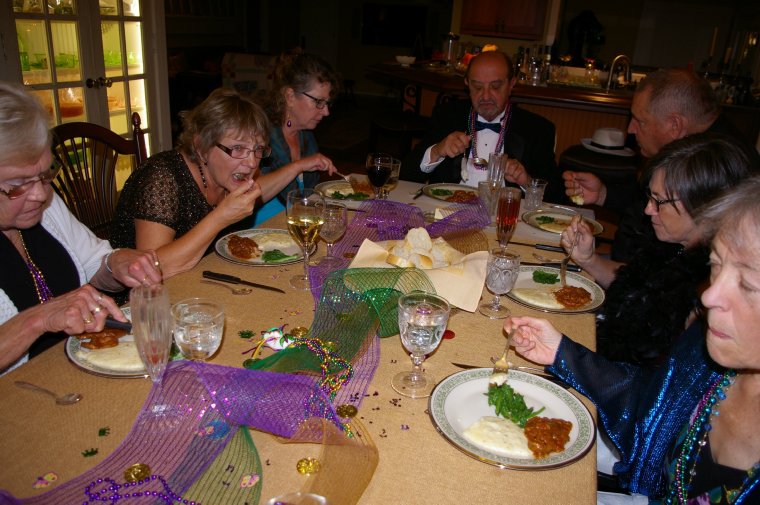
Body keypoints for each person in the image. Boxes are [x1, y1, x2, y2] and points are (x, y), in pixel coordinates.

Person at [506, 176, 760, 503]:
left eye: (749, 285)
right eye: (715, 265)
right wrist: (561, 351)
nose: (709, 296)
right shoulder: (707, 361)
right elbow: (651, 408)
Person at [0, 82, 162, 374]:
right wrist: (38, 320)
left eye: (45, 174)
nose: (39, 194)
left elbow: (92, 264)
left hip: (77, 370)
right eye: (16, 185)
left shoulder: (45, 206)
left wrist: (116, 263)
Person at [563, 133, 753, 366]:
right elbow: (639, 285)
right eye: (649, 197)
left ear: (703, 207)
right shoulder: (675, 248)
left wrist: (567, 357)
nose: (648, 210)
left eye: (659, 201)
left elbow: (650, 375)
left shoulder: (710, 293)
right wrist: (589, 259)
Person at [562, 68, 760, 261]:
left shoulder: (725, 170)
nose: (630, 130)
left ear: (674, 125)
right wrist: (604, 194)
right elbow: (653, 203)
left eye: (640, 121)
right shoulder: (685, 150)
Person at [110, 87, 268, 277]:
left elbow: (263, 187)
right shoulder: (161, 177)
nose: (252, 163)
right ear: (201, 146)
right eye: (237, 148)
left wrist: (299, 166)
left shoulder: (227, 176)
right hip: (137, 299)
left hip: (201, 278)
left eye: (258, 149)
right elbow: (152, 270)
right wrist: (221, 217)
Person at [400, 50, 565, 203]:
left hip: (504, 220)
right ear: (467, 84)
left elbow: (557, 196)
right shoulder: (447, 115)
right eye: (477, 87)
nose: (485, 96)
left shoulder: (537, 129)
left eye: (495, 86)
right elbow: (406, 175)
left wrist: (526, 181)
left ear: (511, 84)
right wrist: (437, 151)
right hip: (446, 212)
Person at [252, 51, 339, 226]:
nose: (326, 111)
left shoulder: (306, 136)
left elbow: (307, 195)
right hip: (259, 233)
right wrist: (299, 165)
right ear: (290, 96)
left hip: (294, 226)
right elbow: (249, 193)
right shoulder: (258, 134)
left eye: (327, 103)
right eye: (318, 102)